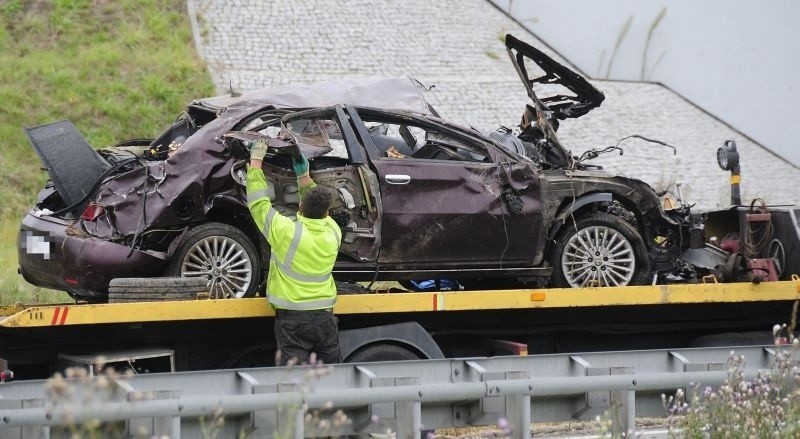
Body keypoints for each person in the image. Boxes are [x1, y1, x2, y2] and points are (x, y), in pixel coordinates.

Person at [245, 139, 342, 366]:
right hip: (325, 319)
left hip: (293, 322)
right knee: (336, 379)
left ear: (299, 207)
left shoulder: (287, 232)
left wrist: (256, 162)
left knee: (294, 383)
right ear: (327, 213)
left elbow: (259, 204)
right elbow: (315, 204)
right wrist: (304, 175)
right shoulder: (333, 232)